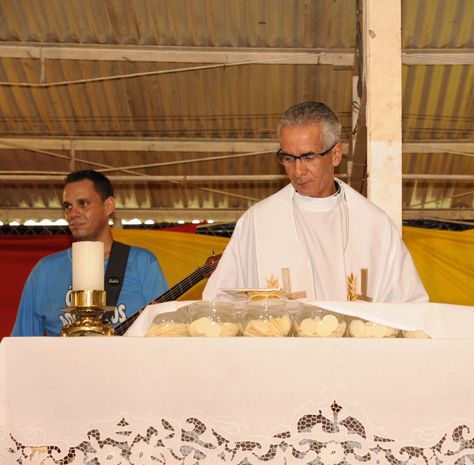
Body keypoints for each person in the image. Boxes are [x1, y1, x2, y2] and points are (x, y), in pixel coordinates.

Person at [203, 101, 428, 303]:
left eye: (308, 157)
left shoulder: (375, 225)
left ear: (336, 154)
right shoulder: (258, 222)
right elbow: (218, 300)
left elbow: (409, 305)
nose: (298, 171)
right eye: (288, 158)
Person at [11, 170, 169, 336]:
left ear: (108, 206)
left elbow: (168, 333)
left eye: (83, 204)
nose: (73, 213)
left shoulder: (141, 263)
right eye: (68, 206)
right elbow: (21, 342)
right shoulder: (45, 271)